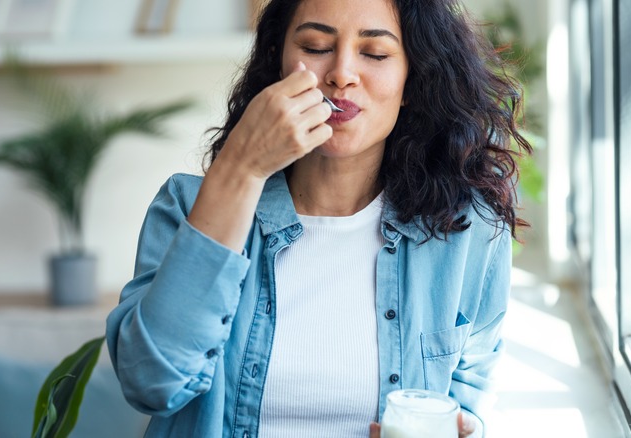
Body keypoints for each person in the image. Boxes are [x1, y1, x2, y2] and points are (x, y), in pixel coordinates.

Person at [106, 0, 531, 436]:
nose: (342, 73)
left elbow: (469, 394)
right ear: (278, 64)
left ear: (411, 81)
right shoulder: (187, 206)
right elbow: (150, 384)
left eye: (375, 54)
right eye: (315, 46)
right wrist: (241, 167)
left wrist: (462, 428)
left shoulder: (468, 231)